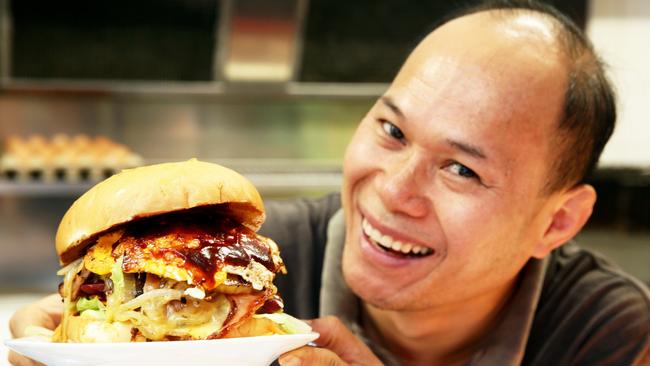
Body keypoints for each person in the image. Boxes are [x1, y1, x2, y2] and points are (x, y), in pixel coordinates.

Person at [9, 1, 650, 365]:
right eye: (392, 131)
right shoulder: (252, 263)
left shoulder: (606, 330)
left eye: (462, 169)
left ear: (557, 222)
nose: (393, 190)